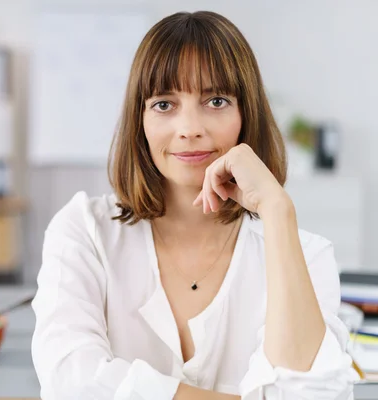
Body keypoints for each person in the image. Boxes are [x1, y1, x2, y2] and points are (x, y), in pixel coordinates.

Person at [31, 10, 359, 400]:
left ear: (246, 114)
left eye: (216, 101)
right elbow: (69, 380)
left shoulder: (306, 255)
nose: (190, 128)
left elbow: (316, 395)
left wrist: (277, 209)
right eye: (164, 104)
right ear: (140, 121)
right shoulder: (85, 229)